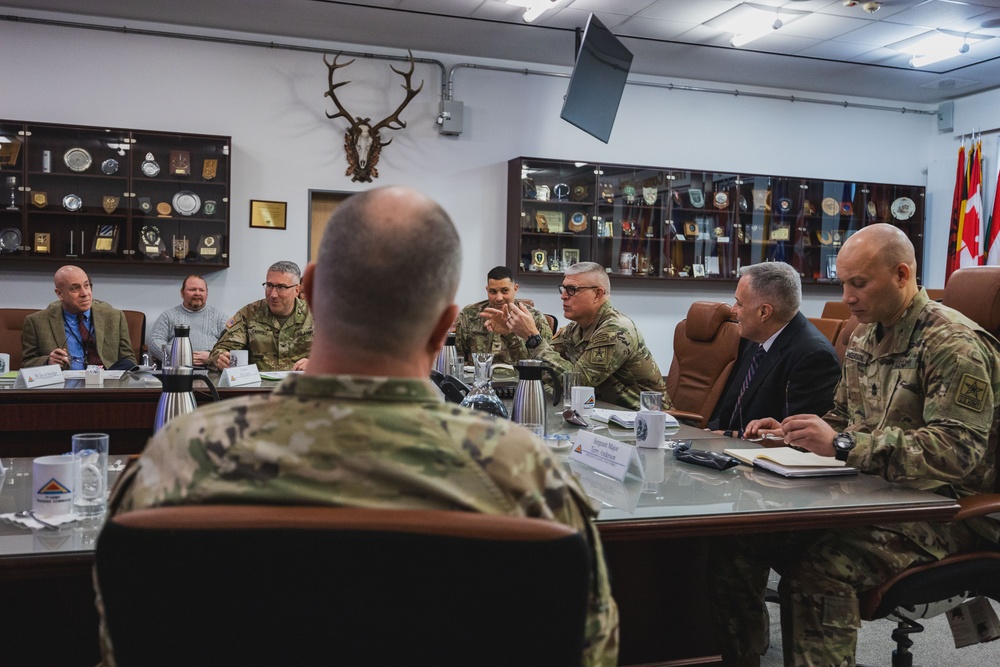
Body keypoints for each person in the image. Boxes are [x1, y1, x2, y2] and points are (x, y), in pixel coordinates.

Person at [101, 186, 618, 666]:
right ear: (445, 326)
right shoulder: (526, 476)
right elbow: (590, 654)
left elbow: (121, 647)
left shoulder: (178, 457)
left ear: (307, 289)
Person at [710, 224, 1000, 667]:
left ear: (902, 275)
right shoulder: (867, 336)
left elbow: (957, 452)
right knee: (740, 539)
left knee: (818, 572)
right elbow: (845, 419)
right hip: (876, 496)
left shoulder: (952, 345)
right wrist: (797, 433)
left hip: (948, 509)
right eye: (843, 282)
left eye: (858, 284)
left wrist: (843, 444)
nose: (846, 297)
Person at [483, 261, 668, 411]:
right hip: (601, 417)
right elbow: (543, 369)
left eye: (572, 290)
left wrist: (532, 336)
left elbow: (578, 383)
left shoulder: (616, 330)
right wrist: (511, 334)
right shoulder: (575, 328)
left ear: (598, 293)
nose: (563, 296)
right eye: (563, 289)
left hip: (644, 422)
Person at [707, 262, 840, 436]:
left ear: (764, 312)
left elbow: (800, 438)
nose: (733, 311)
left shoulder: (813, 356)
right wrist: (708, 434)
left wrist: (728, 436)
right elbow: (731, 412)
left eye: (739, 304)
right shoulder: (755, 338)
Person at [21, 265, 135, 370]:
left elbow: (129, 359)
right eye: (75, 288)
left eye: (86, 285)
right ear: (59, 294)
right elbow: (27, 363)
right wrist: (48, 361)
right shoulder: (36, 322)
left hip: (105, 384)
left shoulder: (114, 317)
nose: (84, 293)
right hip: (63, 385)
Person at [209, 260, 313, 371]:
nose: (273, 294)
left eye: (281, 287)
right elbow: (219, 351)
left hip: (301, 386)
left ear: (297, 290)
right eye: (269, 285)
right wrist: (220, 358)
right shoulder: (249, 314)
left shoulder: (316, 314)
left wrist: (314, 363)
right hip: (259, 386)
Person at [454, 265, 552, 363]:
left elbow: (545, 362)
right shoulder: (469, 315)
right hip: (479, 376)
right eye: (493, 292)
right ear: (487, 290)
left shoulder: (534, 318)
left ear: (515, 289)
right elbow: (458, 359)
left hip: (520, 376)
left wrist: (510, 335)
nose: (499, 298)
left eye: (505, 291)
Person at [149, 275, 228, 367]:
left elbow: (231, 344)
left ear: (207, 293)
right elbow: (154, 342)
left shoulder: (220, 317)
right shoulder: (167, 316)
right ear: (182, 293)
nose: (197, 293)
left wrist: (212, 357)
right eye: (192, 289)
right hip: (176, 370)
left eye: (201, 290)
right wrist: (181, 358)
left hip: (211, 369)